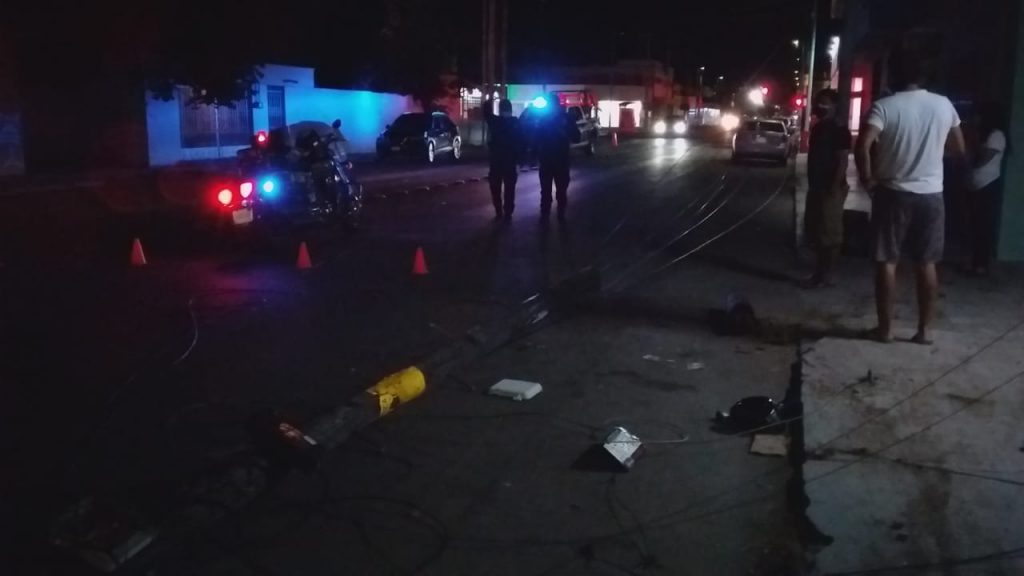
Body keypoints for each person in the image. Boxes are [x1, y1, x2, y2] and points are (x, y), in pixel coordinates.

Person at [855, 46, 966, 344]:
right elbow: (959, 148)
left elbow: (862, 145)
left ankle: (885, 330)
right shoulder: (944, 105)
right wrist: (932, 154)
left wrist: (868, 180)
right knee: (927, 263)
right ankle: (925, 331)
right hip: (931, 195)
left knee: (886, 261)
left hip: (891, 193)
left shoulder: (884, 107)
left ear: (893, 74)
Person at [804, 89, 853, 288]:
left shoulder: (839, 130)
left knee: (830, 235)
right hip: (816, 186)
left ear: (834, 106)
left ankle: (827, 275)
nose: (820, 106)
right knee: (817, 232)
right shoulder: (818, 128)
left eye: (825, 102)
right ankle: (819, 273)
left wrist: (834, 186)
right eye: (819, 102)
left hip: (830, 188)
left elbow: (842, 160)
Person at [967, 102, 1008, 275]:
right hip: (976, 185)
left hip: (988, 185)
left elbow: (983, 158)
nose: (975, 118)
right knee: (976, 225)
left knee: (983, 226)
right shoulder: (983, 134)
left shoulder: (996, 135)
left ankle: (981, 265)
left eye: (978, 115)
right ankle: (976, 263)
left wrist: (974, 139)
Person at [534, 94, 580, 223]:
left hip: (556, 160)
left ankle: (555, 214)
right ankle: (550, 215)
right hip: (551, 160)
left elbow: (576, 137)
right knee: (549, 191)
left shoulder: (563, 119)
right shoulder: (544, 119)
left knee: (558, 190)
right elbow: (535, 138)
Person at [484, 98, 524, 221]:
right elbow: (521, 142)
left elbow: (486, 112)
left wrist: (489, 99)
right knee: (509, 189)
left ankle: (499, 211)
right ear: (510, 110)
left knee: (495, 187)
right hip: (510, 161)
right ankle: (507, 212)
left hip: (496, 161)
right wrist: (520, 160)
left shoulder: (495, 122)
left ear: (500, 110)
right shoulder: (516, 123)